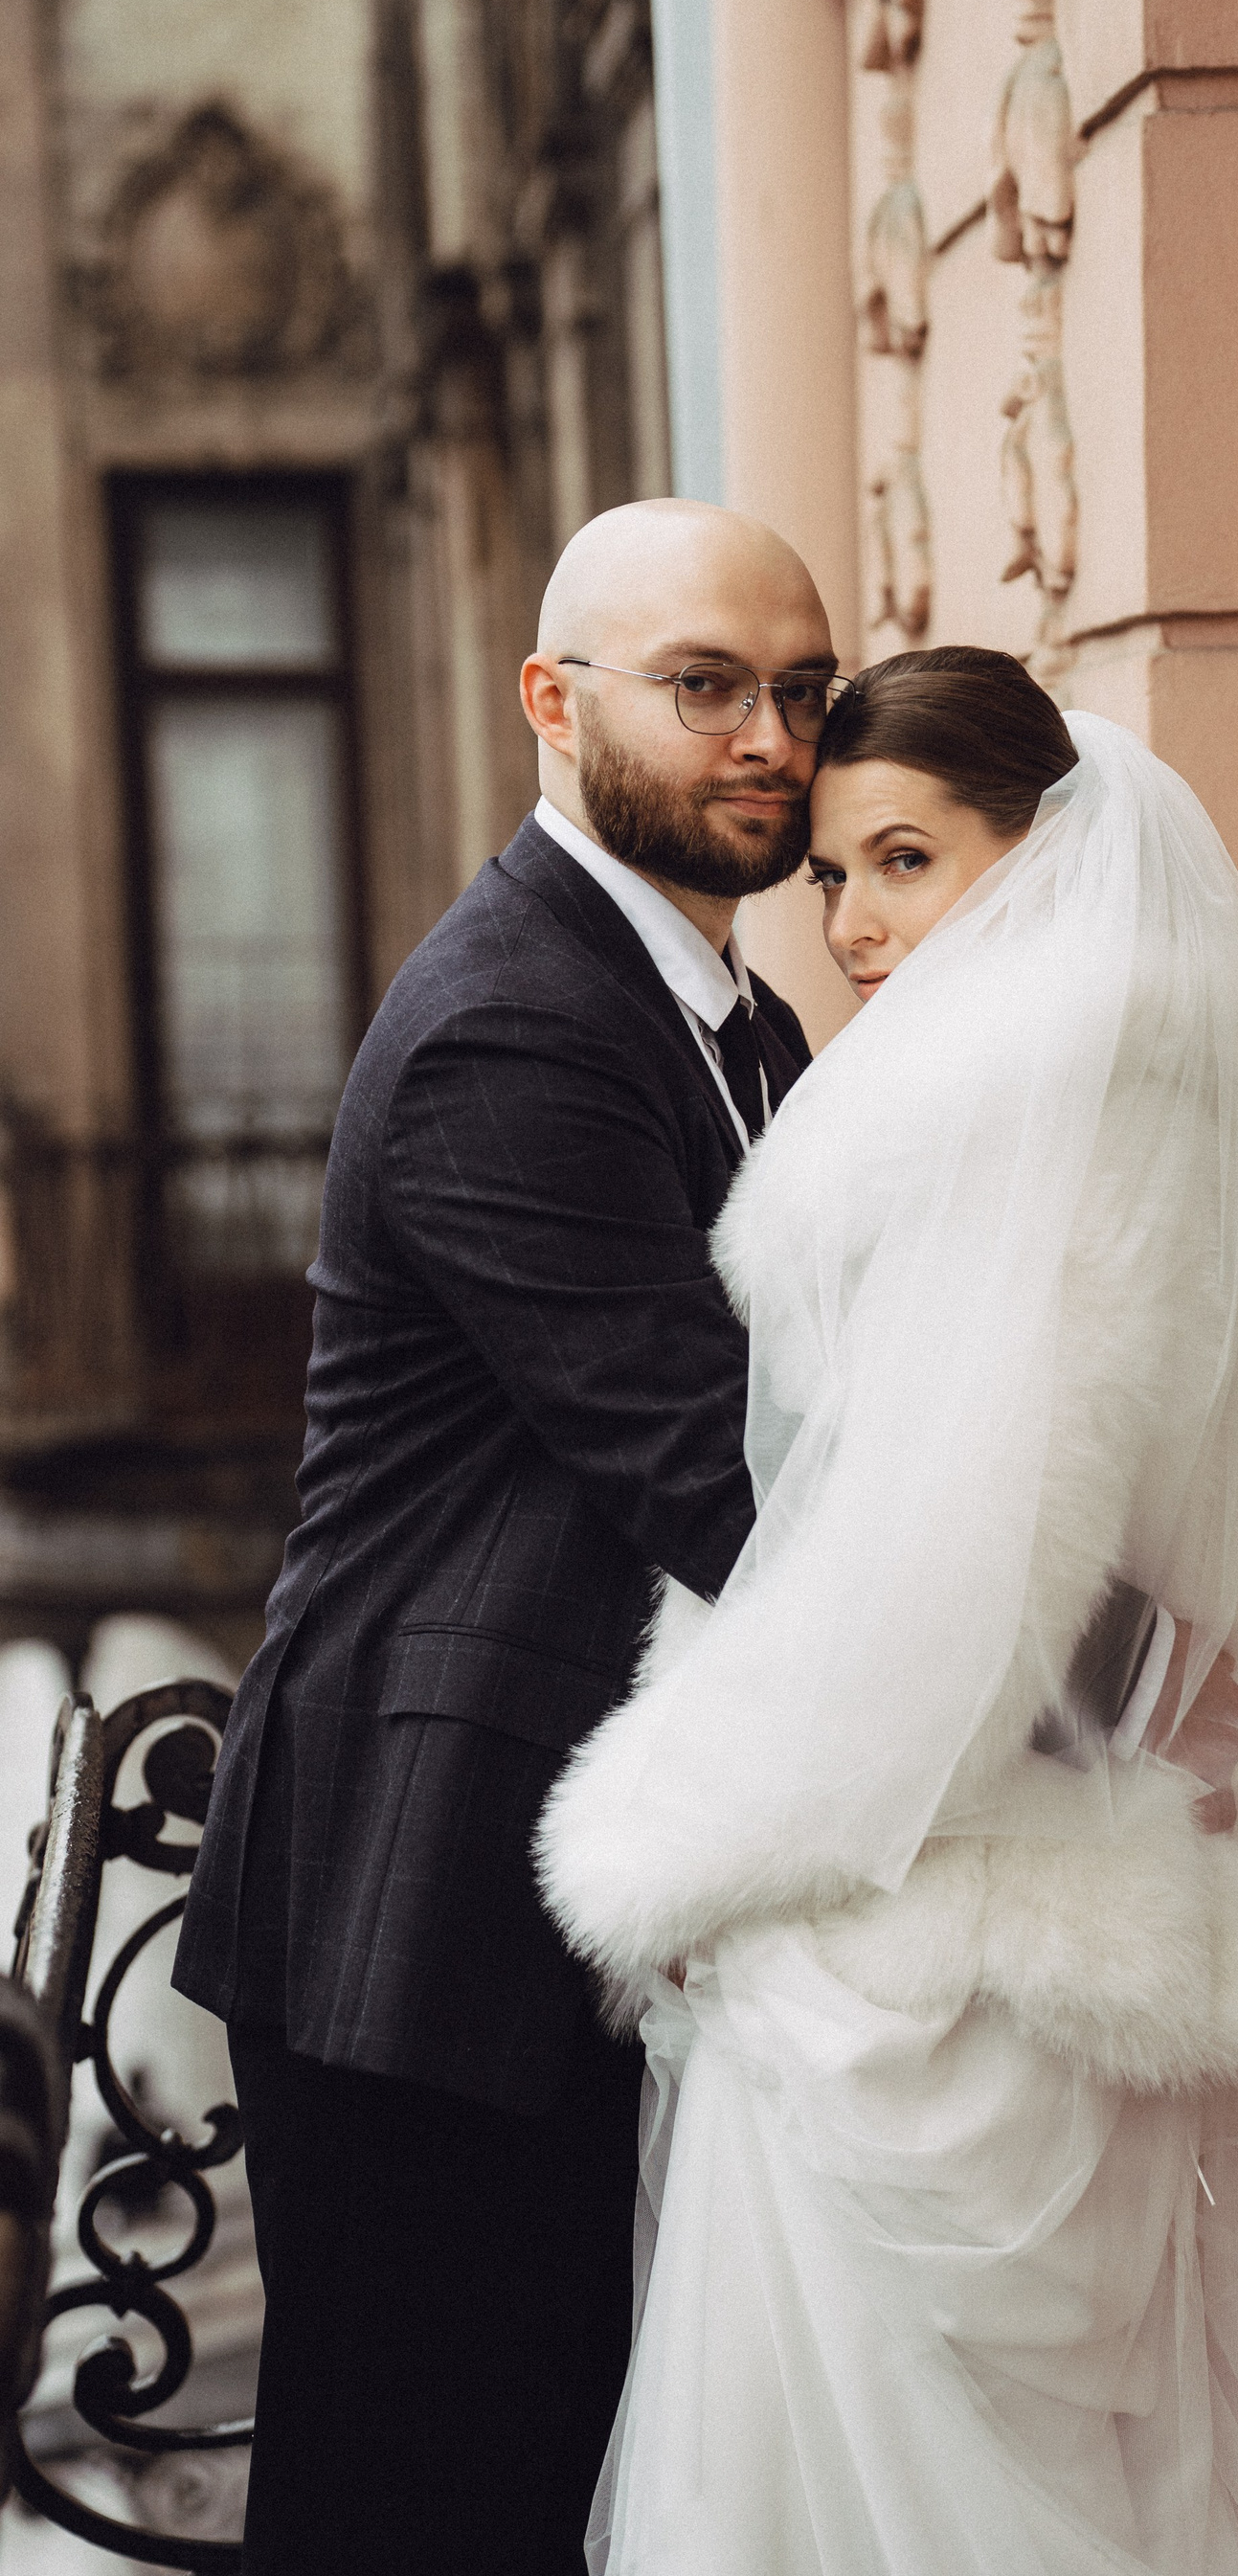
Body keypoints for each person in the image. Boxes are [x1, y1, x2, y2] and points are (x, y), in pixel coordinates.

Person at [539, 646, 1238, 2576]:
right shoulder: (1085, 1095)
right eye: (833, 876)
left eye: (908, 860)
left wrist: (693, 1844)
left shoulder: (1044, 1123)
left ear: (1050, 847)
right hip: (986, 1879)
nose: (856, 926)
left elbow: (973, 1585)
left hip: (931, 1927)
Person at [172, 500, 848, 2575]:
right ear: (554, 701)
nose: (771, 740)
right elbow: (718, 1477)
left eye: (801, 690)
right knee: (421, 2515)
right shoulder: (515, 1025)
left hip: (590, 1872)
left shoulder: (740, 1018)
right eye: (707, 685)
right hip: (428, 1898)